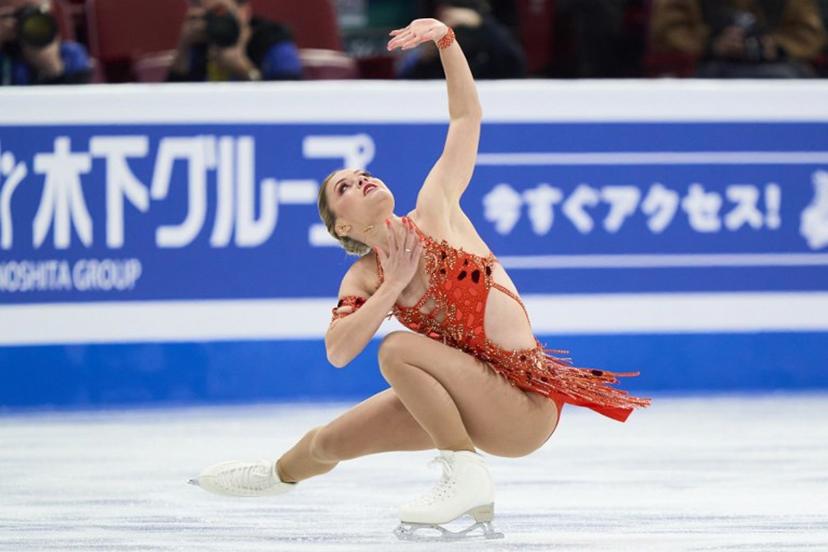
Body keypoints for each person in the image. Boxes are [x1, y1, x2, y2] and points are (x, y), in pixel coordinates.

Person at [189, 17, 651, 541]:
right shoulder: (363, 278)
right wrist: (391, 287)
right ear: (344, 225)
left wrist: (446, 41)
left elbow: (465, 116)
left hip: (523, 404)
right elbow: (338, 352)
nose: (361, 177)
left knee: (395, 351)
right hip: (465, 394)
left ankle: (464, 473)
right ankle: (274, 475)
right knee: (328, 442)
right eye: (345, 186)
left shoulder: (435, 211)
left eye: (361, 173)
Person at [649, 0, 827, 78]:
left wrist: (774, 45)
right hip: (706, 67)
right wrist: (714, 44)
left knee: (786, 79)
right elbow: (668, 30)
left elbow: (809, 33)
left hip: (776, 67)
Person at [167, 0, 302, 82]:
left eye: (221, 12)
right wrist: (183, 48)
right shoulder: (199, 41)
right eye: (209, 14)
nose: (216, 21)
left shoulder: (274, 41)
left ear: (244, 11)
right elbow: (167, 107)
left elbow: (288, 104)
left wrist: (243, 68)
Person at [397, 0, 527, 79]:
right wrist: (424, 58)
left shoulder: (492, 42)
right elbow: (405, 76)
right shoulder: (433, 41)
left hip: (485, 85)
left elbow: (516, 64)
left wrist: (482, 23)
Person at [0, 0, 91, 85]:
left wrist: (54, 68)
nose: (29, 22)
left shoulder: (70, 55)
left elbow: (76, 99)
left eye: (36, 13)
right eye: (18, 15)